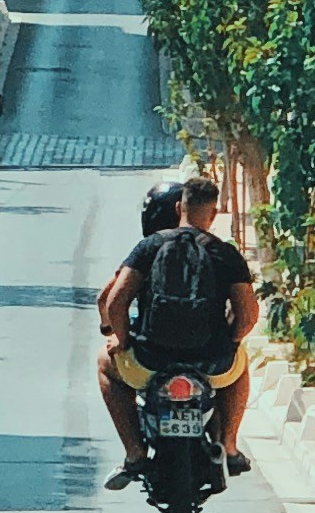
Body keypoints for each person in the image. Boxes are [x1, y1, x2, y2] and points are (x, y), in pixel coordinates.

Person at [97, 169, 258, 491]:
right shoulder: (226, 254)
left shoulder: (149, 247)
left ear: (177, 209)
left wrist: (121, 339)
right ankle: (229, 445)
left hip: (149, 361)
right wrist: (232, 341)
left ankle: (134, 452)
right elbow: (248, 314)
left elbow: (114, 301)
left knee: (103, 364)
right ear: (213, 214)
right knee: (240, 369)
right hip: (211, 364)